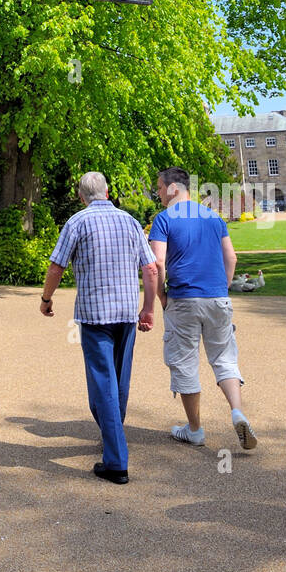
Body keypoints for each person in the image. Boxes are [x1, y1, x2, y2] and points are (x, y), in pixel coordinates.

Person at [40, 171, 159, 485]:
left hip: (95, 316)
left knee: (103, 384)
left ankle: (116, 461)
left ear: (81, 196)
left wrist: (46, 298)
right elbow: (150, 268)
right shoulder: (132, 222)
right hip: (125, 313)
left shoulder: (77, 222)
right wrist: (148, 308)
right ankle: (113, 434)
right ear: (107, 193)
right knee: (118, 380)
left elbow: (56, 266)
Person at [149, 166, 258, 451]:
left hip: (183, 299)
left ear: (173, 188)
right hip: (217, 298)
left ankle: (195, 430)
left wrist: (160, 295)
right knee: (224, 358)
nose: (157, 192)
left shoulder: (163, 219)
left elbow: (157, 263)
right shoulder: (213, 216)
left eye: (159, 187)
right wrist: (221, 287)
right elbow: (231, 257)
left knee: (184, 362)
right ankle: (237, 412)